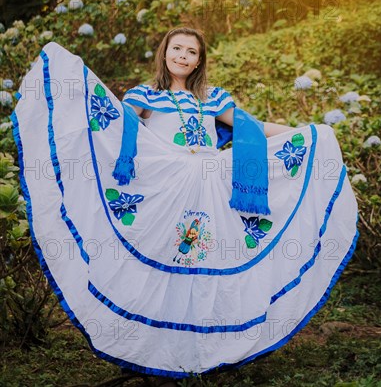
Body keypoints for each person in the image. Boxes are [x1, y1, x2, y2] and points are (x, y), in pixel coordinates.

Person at [12, 26, 358, 386]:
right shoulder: (145, 95)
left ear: (198, 61)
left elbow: (250, 128)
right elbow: (112, 124)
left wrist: (306, 132)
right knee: (162, 259)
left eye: (191, 52)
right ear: (164, 52)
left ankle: (195, 352)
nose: (182, 55)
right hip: (165, 187)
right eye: (176, 48)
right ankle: (151, 350)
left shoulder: (212, 98)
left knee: (202, 260)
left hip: (209, 185)